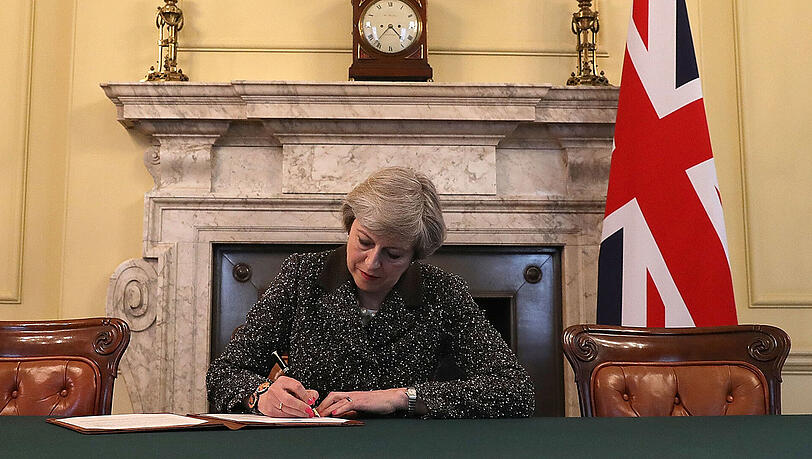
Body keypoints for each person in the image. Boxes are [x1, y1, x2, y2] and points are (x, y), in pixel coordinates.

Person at [206, 167, 535, 418]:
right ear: (350, 225)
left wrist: (402, 397)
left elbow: (516, 390)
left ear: (415, 255)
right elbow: (224, 373)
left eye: (393, 254)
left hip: (409, 447)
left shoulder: (442, 292)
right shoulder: (301, 275)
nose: (371, 262)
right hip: (314, 443)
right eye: (364, 241)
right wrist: (260, 395)